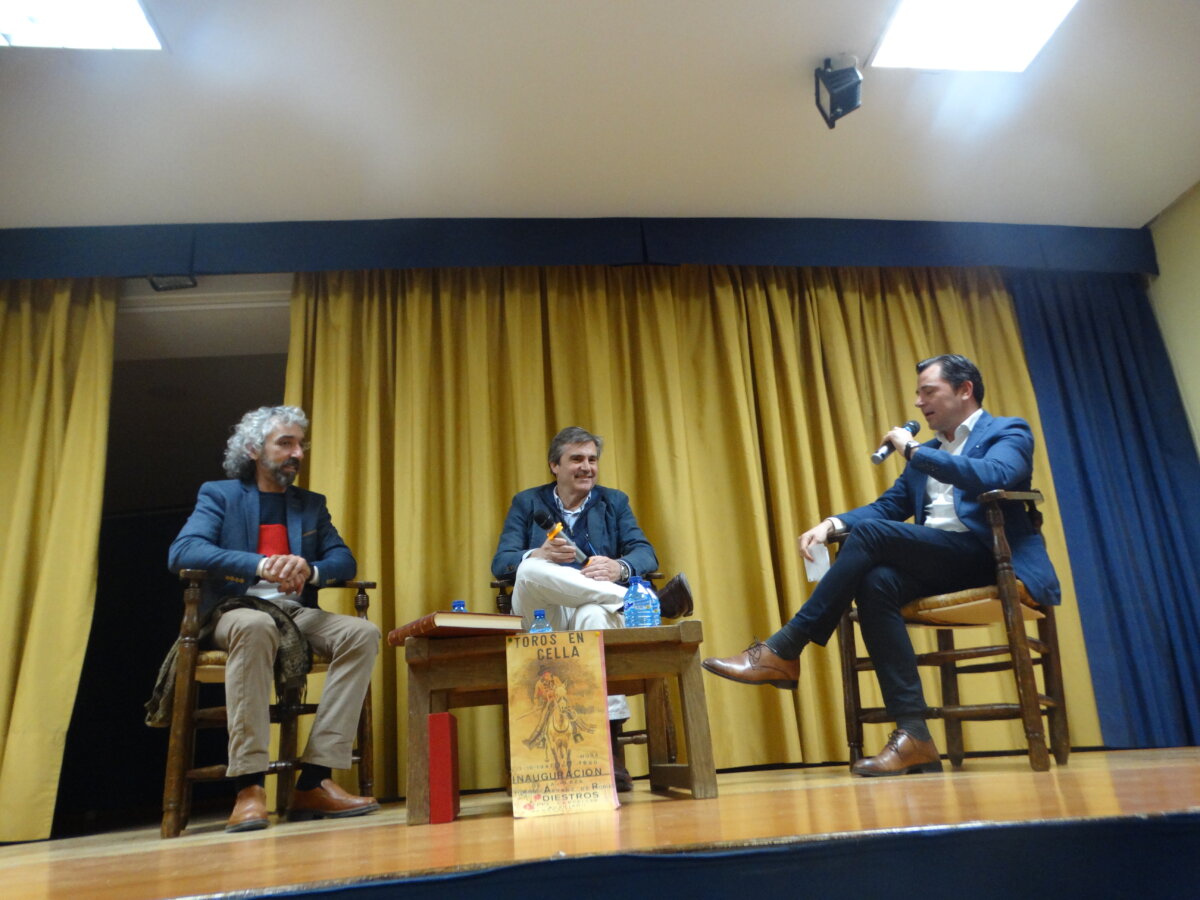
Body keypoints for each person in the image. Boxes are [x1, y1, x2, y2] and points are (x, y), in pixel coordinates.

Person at [702, 355, 1060, 776]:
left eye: (929, 392)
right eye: (918, 394)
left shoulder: (1007, 431)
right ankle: (914, 736)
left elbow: (994, 473)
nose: (919, 402)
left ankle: (785, 648)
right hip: (943, 560)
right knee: (876, 583)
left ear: (964, 390)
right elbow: (890, 506)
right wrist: (832, 523)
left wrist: (912, 452)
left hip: (990, 557)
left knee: (870, 539)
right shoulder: (927, 451)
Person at [168, 406, 381, 832]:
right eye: (286, 443)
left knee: (362, 633)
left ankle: (315, 779)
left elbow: (343, 558)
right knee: (255, 625)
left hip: (296, 611)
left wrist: (311, 569)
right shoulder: (221, 495)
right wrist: (259, 566)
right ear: (253, 449)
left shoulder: (310, 505)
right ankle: (249, 785)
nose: (297, 452)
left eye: (300, 445)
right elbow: (183, 551)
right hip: (235, 611)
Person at [492, 426, 694, 790]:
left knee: (592, 616)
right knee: (531, 568)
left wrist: (620, 567)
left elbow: (645, 552)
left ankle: (606, 753)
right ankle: (645, 603)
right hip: (542, 612)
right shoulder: (527, 502)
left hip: (593, 604)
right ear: (555, 465)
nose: (587, 467)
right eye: (576, 459)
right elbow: (501, 563)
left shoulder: (613, 501)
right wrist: (537, 553)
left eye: (592, 460)